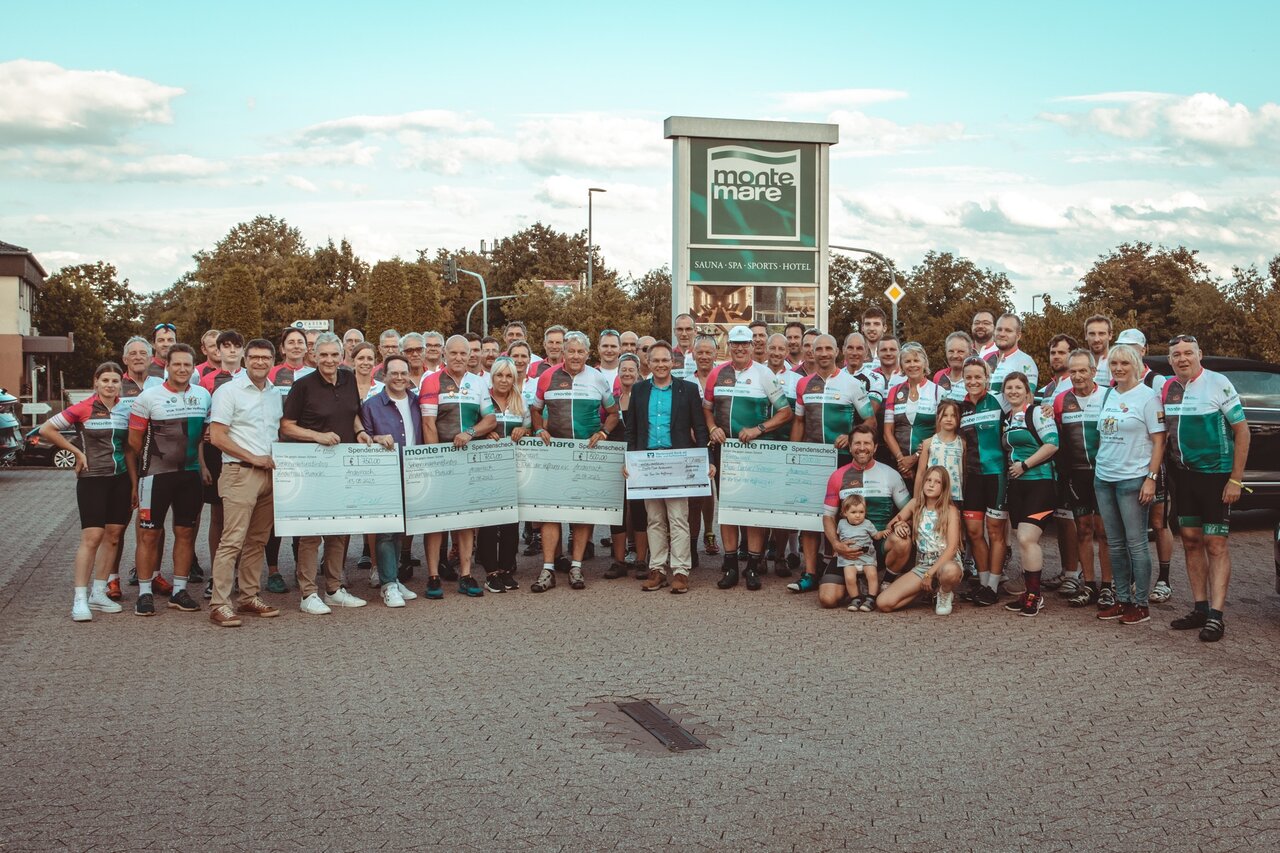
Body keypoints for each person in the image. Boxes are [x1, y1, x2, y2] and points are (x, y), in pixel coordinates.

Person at [1163, 334, 1249, 642]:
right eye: (1176, 354)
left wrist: (1235, 479)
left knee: (1215, 544)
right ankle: (1199, 607)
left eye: (1188, 352)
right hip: (1185, 477)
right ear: (1170, 360)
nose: (1182, 358)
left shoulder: (1218, 382)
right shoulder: (1168, 388)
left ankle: (1216, 614)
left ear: (1200, 354)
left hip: (1216, 475)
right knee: (1190, 540)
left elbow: (1242, 431)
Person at [280, 332, 371, 614]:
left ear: (342, 356)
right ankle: (308, 593)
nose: (329, 360)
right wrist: (317, 436)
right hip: (313, 467)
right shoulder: (303, 386)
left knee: (339, 530)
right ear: (314, 356)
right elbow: (286, 426)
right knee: (311, 533)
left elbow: (352, 413)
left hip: (342, 465)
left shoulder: (348, 379)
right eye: (324, 355)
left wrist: (360, 431)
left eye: (334, 354)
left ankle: (334, 589)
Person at [529, 331, 619, 592]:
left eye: (581, 351)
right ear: (564, 353)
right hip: (555, 453)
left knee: (582, 512)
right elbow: (535, 409)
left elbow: (613, 413)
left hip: (585, 453)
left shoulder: (598, 378)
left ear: (588, 354)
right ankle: (548, 569)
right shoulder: (547, 376)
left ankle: (576, 566)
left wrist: (603, 433)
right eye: (571, 351)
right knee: (550, 512)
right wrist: (539, 429)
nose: (576, 356)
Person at [704, 325, 792, 591]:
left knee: (753, 509)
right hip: (725, 450)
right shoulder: (717, 373)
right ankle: (731, 565)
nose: (740, 348)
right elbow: (706, 409)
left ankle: (752, 566)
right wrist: (712, 427)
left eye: (745, 344)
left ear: (753, 346)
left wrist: (759, 429)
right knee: (728, 508)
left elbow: (786, 412)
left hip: (755, 451)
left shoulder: (764, 374)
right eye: (735, 344)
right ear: (728, 346)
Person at [42, 362, 132, 621]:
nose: (110, 385)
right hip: (92, 479)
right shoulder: (83, 407)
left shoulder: (125, 409)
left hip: (120, 479)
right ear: (96, 382)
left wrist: (134, 483)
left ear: (120, 384)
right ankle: (80, 598)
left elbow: (128, 448)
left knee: (113, 536)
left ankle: (98, 593)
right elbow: (47, 429)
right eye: (105, 380)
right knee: (92, 537)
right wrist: (76, 452)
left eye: (115, 381)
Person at [787, 333, 875, 594]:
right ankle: (810, 572)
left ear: (837, 352)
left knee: (838, 515)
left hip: (842, 458)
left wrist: (850, 436)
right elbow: (799, 422)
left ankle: (836, 566)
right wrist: (792, 454)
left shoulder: (852, 384)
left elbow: (870, 421)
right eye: (819, 349)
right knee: (809, 515)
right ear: (812, 353)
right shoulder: (803, 384)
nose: (824, 353)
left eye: (828, 348)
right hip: (811, 459)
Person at [206, 338, 285, 627]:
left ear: (273, 361)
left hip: (269, 475)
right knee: (232, 541)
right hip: (240, 473)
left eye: (265, 357)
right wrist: (253, 458)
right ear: (245, 359)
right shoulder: (229, 391)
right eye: (254, 357)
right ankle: (219, 603)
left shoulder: (275, 394)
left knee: (258, 540)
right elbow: (217, 437)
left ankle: (249, 596)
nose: (260, 362)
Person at [127, 343, 211, 616]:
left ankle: (179, 591)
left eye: (187, 364)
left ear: (193, 367)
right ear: (167, 366)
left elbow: (202, 436)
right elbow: (134, 442)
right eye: (177, 364)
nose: (182, 369)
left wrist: (202, 466)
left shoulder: (203, 395)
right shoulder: (148, 397)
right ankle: (144, 593)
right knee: (149, 534)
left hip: (190, 475)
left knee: (185, 533)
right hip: (156, 475)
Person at [625, 340, 710, 594]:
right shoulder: (639, 390)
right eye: (656, 360)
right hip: (647, 463)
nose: (661, 365)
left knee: (678, 518)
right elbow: (632, 430)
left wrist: (707, 461)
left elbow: (700, 427)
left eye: (665, 360)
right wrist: (629, 462)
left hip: (677, 463)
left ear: (673, 363)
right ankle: (658, 569)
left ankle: (681, 570)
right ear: (648, 363)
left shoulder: (688, 389)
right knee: (654, 519)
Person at [1092, 344, 1166, 626]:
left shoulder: (1148, 397)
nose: (1119, 368)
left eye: (1124, 363)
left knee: (1136, 543)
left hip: (1133, 479)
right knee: (1115, 544)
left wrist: (1151, 478)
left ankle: (1141, 605)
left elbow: (1159, 441)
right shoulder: (1108, 394)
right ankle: (1122, 600)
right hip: (1104, 478)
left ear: (1136, 364)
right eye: (1114, 364)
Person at [419, 334, 497, 598]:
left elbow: (490, 419)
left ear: (470, 356)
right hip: (441, 458)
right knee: (436, 520)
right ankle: (433, 576)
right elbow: (428, 424)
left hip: (468, 460)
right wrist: (437, 460)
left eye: (464, 353)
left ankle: (465, 573)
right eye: (453, 353)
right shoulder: (432, 380)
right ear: (444, 354)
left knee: (466, 519)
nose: (459, 358)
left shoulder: (479, 382)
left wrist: (471, 433)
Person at [819, 424, 911, 608]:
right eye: (857, 443)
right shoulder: (837, 476)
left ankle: (886, 581)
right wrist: (836, 544)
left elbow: (910, 510)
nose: (862, 448)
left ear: (875, 447)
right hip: (849, 549)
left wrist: (902, 524)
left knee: (903, 541)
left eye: (867, 443)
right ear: (850, 446)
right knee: (828, 599)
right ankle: (857, 582)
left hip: (879, 544)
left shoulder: (890, 474)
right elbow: (828, 517)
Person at [1051, 349, 1115, 609]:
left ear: (1093, 371)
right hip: (1076, 474)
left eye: (1082, 370)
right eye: (1073, 371)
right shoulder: (1061, 400)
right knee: (1084, 530)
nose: (1077, 376)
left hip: (1105, 472)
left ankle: (1108, 585)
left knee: (1104, 532)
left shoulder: (1108, 396)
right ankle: (1088, 584)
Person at [1115, 328, 1175, 602]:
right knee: (1128, 524)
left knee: (1158, 522)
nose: (1127, 352)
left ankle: (1164, 579)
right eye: (1122, 346)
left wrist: (1153, 467)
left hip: (1153, 462)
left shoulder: (1156, 380)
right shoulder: (1116, 380)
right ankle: (1131, 578)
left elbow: (1164, 426)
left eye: (1132, 347)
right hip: (1125, 464)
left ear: (1143, 350)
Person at [360, 354, 422, 608]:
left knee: (400, 531)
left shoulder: (417, 402)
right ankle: (387, 584)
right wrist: (375, 438)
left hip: (413, 474)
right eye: (393, 373)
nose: (399, 377)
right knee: (386, 531)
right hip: (385, 476)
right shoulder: (371, 406)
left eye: (403, 373)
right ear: (383, 375)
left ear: (409, 376)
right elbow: (362, 438)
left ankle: (393, 578)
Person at [1000, 371, 1059, 617]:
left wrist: (1025, 465)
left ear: (1027, 391)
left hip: (1040, 481)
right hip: (1017, 486)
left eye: (1018, 387)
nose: (1013, 391)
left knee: (1026, 538)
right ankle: (1028, 592)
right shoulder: (1007, 418)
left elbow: (1052, 444)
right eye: (1009, 388)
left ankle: (1035, 595)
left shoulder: (1037, 412)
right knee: (1021, 538)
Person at [112, 336, 163, 599]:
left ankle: (154, 574)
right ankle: (112, 578)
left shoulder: (160, 383)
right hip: (123, 459)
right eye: (133, 353)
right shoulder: (114, 383)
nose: (138, 357)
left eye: (143, 353)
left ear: (151, 358)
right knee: (118, 524)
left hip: (155, 459)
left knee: (155, 523)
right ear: (125, 359)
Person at [876, 466, 964, 615]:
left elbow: (952, 548)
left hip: (945, 563)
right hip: (923, 564)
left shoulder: (950, 510)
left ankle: (944, 592)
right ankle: (925, 590)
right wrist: (899, 525)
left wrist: (930, 574)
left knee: (950, 571)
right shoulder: (915, 504)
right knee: (884, 603)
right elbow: (890, 525)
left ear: (944, 487)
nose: (931, 485)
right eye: (928, 480)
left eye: (937, 482)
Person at [959, 356, 1008, 606]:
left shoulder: (999, 401)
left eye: (978, 376)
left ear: (987, 378)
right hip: (972, 477)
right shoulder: (961, 407)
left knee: (995, 531)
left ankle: (994, 585)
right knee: (974, 532)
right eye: (968, 377)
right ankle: (984, 582)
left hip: (996, 474)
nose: (973, 381)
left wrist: (1044, 409)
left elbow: (1026, 409)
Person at [476, 356, 527, 593]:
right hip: (488, 470)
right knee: (488, 522)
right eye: (499, 375)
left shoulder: (520, 401)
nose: (504, 380)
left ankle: (506, 569)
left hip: (514, 469)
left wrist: (523, 430)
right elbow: (476, 425)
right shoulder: (483, 399)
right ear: (492, 376)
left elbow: (531, 427)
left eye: (509, 376)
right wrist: (484, 434)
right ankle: (490, 572)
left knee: (511, 523)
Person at [604, 354, 649, 579]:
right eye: (624, 369)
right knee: (617, 510)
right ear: (618, 372)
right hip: (615, 460)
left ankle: (641, 560)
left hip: (638, 459)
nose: (627, 373)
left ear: (638, 372)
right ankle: (619, 561)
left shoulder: (645, 398)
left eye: (632, 369)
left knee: (639, 509)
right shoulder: (611, 400)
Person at [883, 341, 941, 484]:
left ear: (924, 363)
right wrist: (901, 460)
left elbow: (939, 434)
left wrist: (915, 457)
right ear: (901, 366)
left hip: (928, 462)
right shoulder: (894, 391)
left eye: (916, 360)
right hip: (899, 463)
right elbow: (887, 432)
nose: (912, 365)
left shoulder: (938, 392)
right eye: (907, 361)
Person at [688, 334, 720, 559]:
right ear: (693, 354)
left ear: (716, 354)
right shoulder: (685, 381)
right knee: (696, 495)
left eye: (709, 352)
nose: (704, 356)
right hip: (693, 442)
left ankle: (709, 532)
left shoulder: (724, 377)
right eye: (700, 352)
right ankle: (692, 542)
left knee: (715, 491)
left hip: (719, 439)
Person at [833, 495, 885, 612]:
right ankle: (855, 598)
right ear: (845, 512)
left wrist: (884, 532)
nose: (858, 515)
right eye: (853, 512)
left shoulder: (867, 523)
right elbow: (839, 539)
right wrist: (836, 550)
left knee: (872, 574)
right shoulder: (841, 523)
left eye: (861, 512)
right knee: (849, 577)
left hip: (866, 556)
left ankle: (871, 598)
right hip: (848, 558)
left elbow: (876, 536)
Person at [985, 313, 1038, 404]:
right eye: (999, 329)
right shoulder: (986, 358)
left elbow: (1028, 399)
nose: (1002, 334)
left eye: (1008, 331)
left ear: (1018, 336)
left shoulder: (1026, 361)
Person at [934, 331, 975, 402]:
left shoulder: (975, 379)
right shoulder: (939, 376)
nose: (955, 356)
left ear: (970, 354)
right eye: (951, 351)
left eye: (960, 352)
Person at [1084, 314, 1113, 388]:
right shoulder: (1078, 365)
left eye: (1101, 334)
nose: (1096, 339)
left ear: (1110, 335)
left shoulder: (1119, 365)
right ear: (1086, 336)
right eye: (1092, 334)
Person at [671, 314, 698, 379]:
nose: (684, 334)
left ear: (695, 331)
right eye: (680, 329)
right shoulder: (668, 356)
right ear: (674, 332)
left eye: (688, 329)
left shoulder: (702, 356)